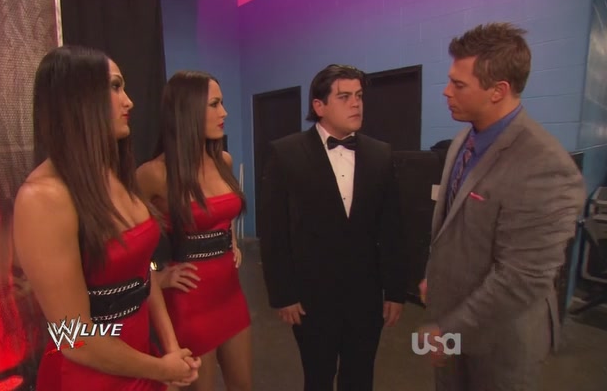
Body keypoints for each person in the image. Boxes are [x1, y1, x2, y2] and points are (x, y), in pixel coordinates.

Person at [13, 45, 200, 391]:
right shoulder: (42, 198)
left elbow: (142, 272)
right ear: (77, 99)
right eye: (115, 87)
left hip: (142, 360)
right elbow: (72, 337)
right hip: (88, 379)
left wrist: (170, 348)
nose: (129, 102)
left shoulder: (115, 174)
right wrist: (161, 369)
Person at [418, 22, 586, 391]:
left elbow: (522, 278)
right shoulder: (463, 139)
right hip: (453, 324)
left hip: (500, 343)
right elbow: (453, 228)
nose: (446, 91)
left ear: (499, 91)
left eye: (459, 84)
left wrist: (448, 329)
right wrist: (436, 277)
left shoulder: (544, 166)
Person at [259, 64, 406, 391]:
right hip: (311, 296)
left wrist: (396, 290)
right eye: (344, 97)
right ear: (319, 106)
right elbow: (274, 232)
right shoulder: (286, 153)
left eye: (359, 96)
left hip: (366, 296)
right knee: (318, 378)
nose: (356, 104)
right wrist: (283, 294)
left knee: (360, 377)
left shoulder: (380, 154)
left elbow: (391, 228)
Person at [136, 70, 252, 391]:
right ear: (187, 110)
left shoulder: (223, 160)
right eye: (214, 104)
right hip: (191, 300)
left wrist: (230, 241)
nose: (224, 113)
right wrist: (157, 275)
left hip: (230, 292)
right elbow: (125, 239)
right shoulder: (154, 174)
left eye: (222, 103)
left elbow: (223, 212)